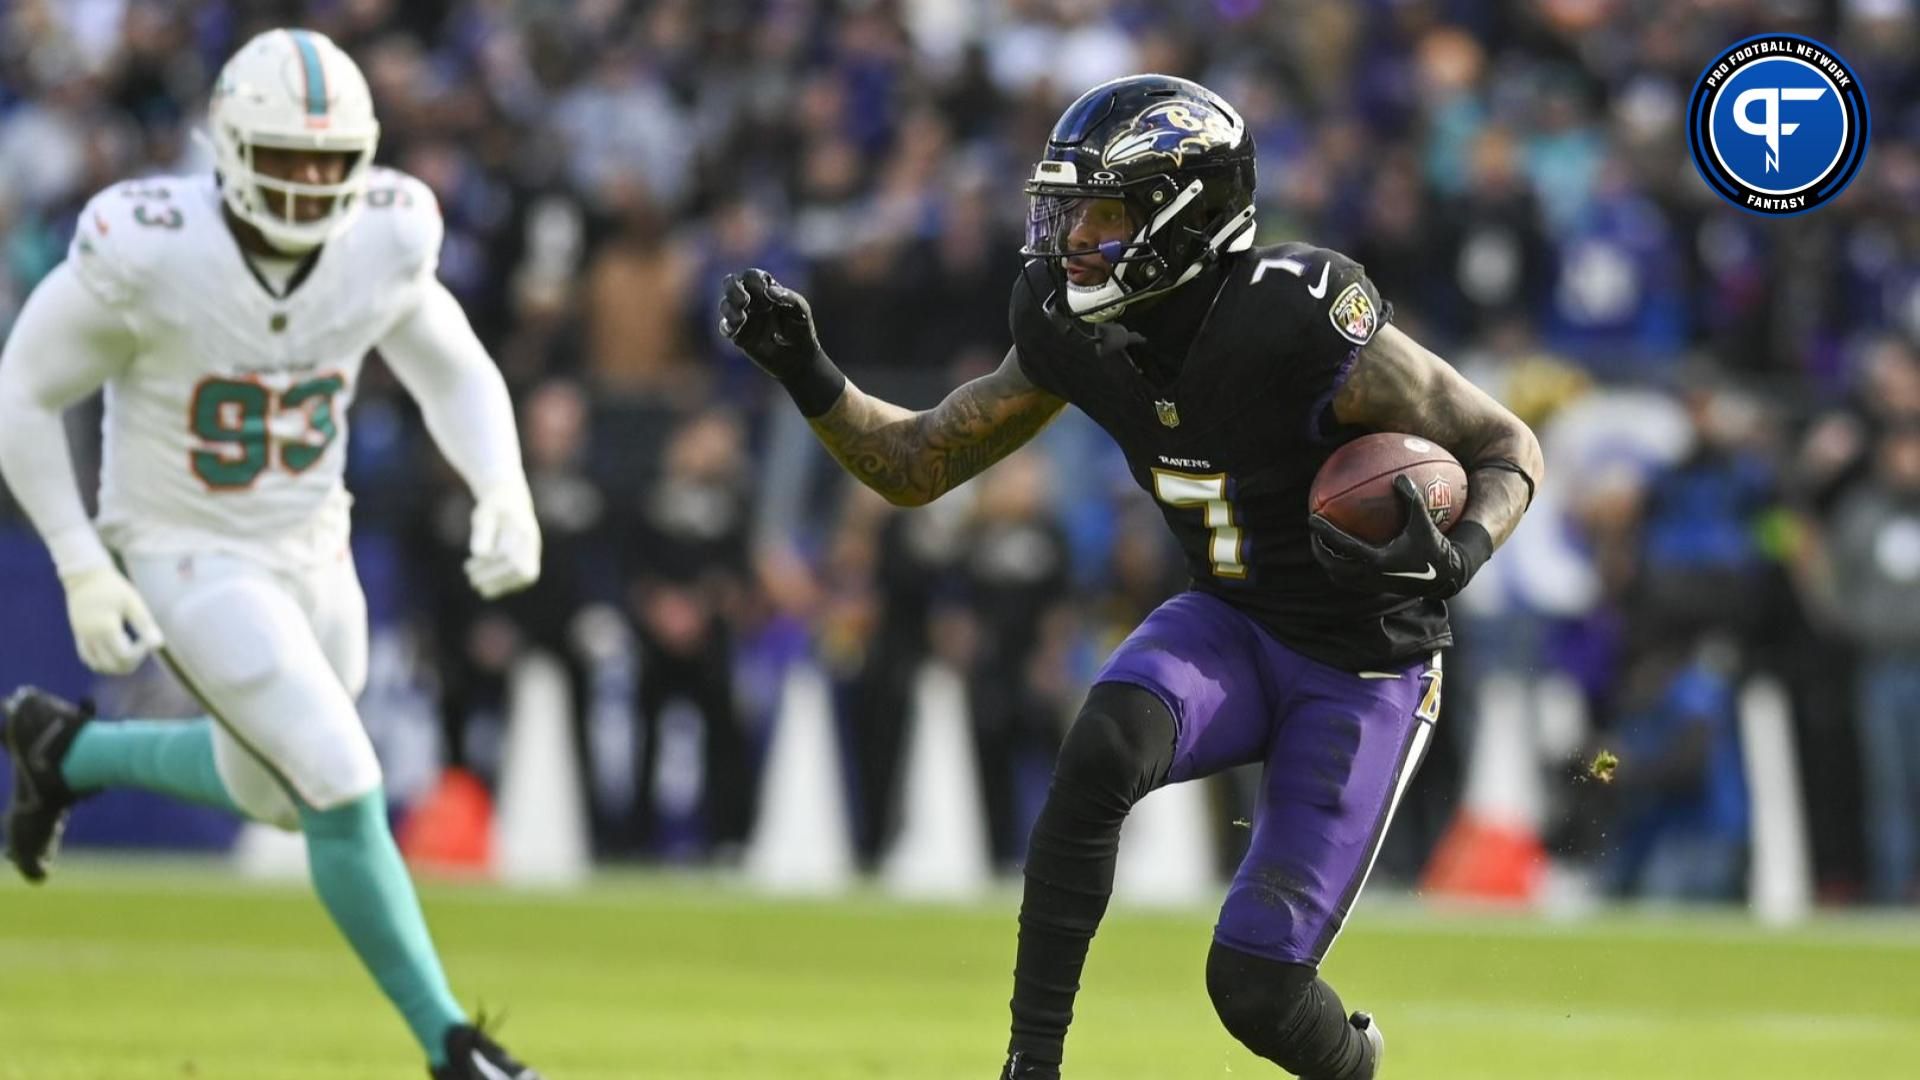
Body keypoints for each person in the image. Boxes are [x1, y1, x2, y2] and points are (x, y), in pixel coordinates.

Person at [720, 74, 1543, 1080]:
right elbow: (919, 462)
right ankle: (1031, 1065)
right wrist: (811, 375)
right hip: (1232, 622)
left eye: (1102, 214)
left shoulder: (1297, 318)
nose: (1073, 241)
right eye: (1068, 213)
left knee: (1255, 988)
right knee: (1104, 744)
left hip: (1365, 664)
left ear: (1184, 212)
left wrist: (1458, 554)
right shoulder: (1077, 333)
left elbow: (1506, 444)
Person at [0, 30, 542, 1080]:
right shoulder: (152, 241)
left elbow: (452, 366)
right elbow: (22, 385)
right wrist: (78, 558)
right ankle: (456, 1046)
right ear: (227, 145)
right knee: (342, 778)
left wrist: (505, 488)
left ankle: (63, 751)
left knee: (276, 796)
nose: (305, 183)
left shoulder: (387, 234)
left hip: (311, 538)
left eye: (327, 162)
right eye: (283, 158)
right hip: (182, 543)